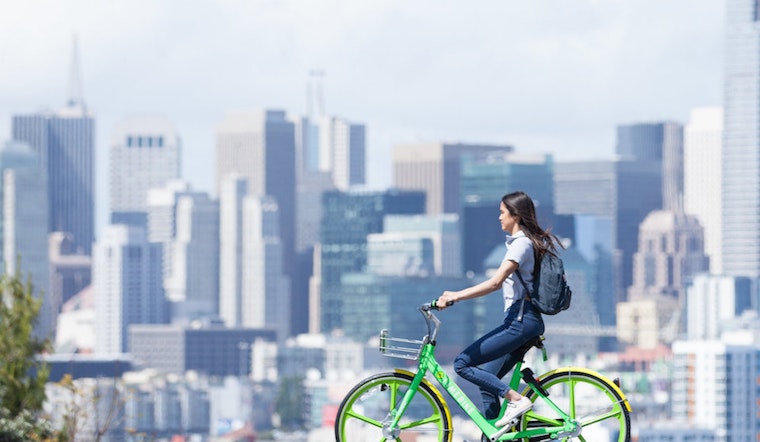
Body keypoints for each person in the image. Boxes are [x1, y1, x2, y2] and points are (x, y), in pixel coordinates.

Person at [436, 190, 563, 429]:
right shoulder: (524, 243)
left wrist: (455, 296)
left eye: (502, 212)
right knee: (487, 383)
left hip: (521, 321)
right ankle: (494, 434)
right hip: (522, 321)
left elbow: (494, 283)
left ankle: (516, 400)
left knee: (462, 364)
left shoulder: (521, 245)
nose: (499, 217)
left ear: (515, 216)